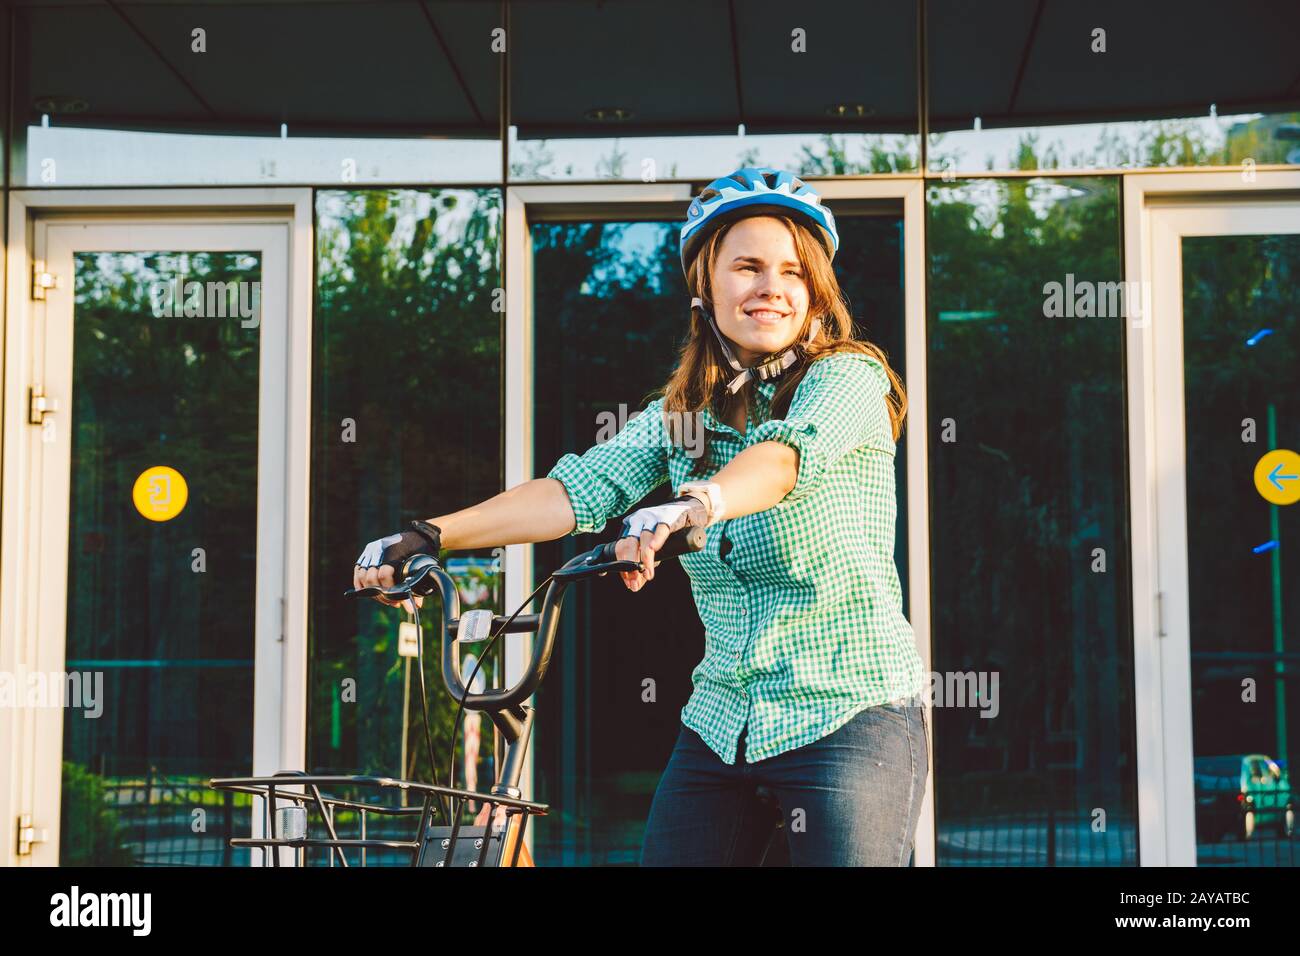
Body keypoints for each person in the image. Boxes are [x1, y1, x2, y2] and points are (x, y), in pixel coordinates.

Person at [353, 166, 929, 867]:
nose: (771, 287)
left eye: (793, 272)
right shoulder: (682, 415)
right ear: (705, 285)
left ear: (815, 291)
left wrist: (696, 502)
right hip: (724, 718)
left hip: (849, 710)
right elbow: (577, 491)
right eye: (746, 266)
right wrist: (430, 535)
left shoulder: (849, 380)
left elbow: (782, 461)